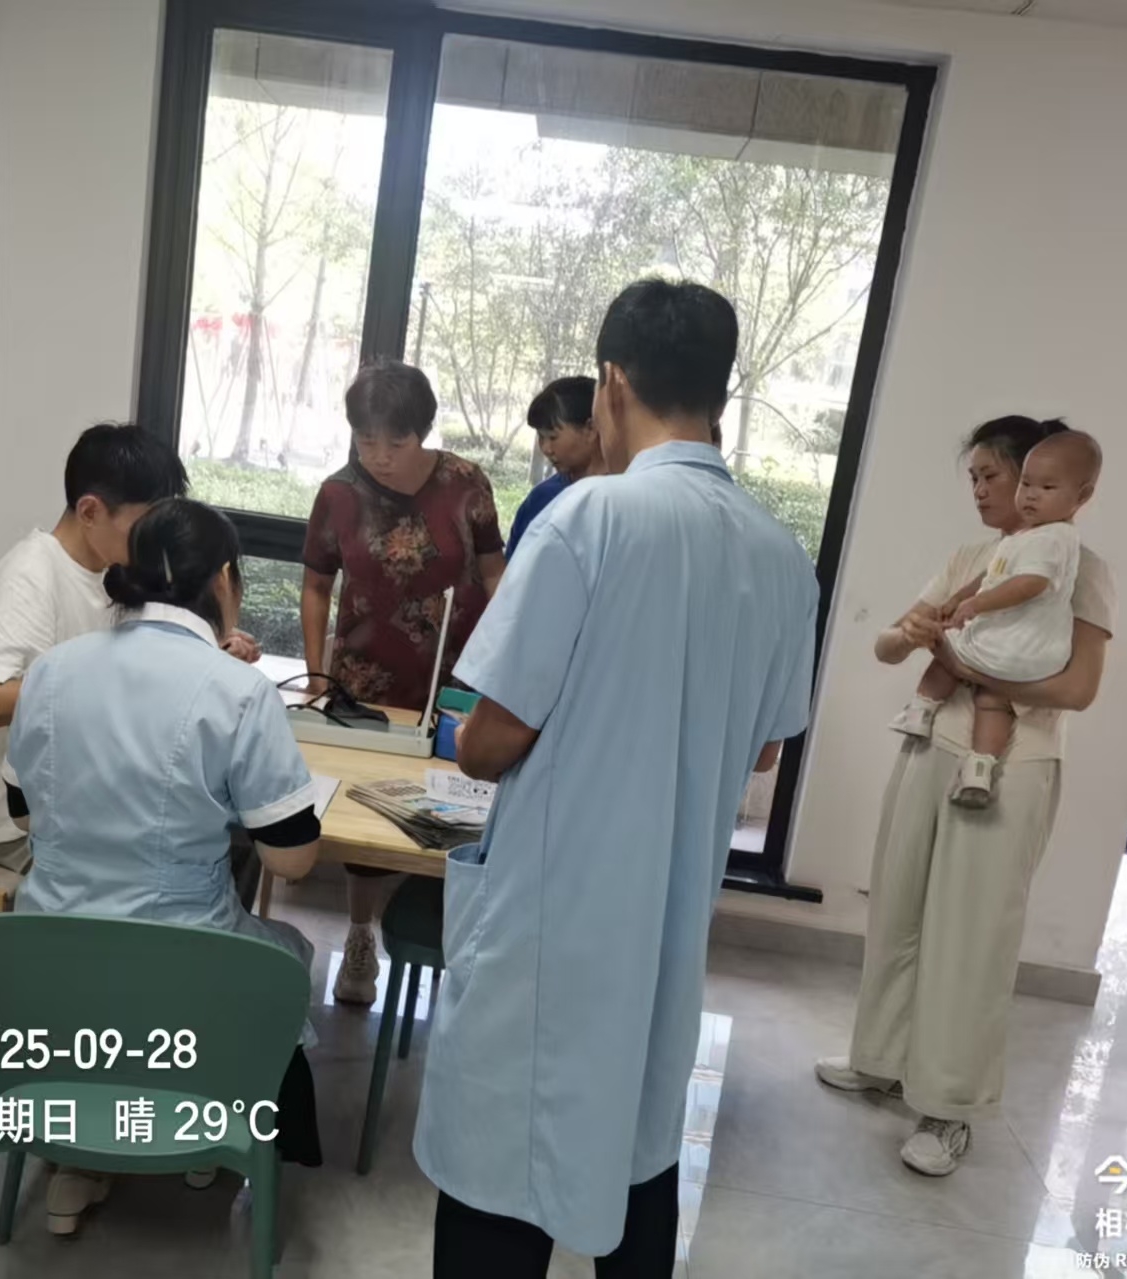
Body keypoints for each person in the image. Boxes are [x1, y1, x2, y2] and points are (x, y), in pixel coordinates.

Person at [414, 279, 819, 1277]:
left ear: (611, 382)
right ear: (718, 388)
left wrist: (481, 735)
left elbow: (489, 741)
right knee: (636, 1142)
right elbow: (764, 751)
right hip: (666, 921)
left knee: (502, 1171)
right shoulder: (778, 557)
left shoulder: (587, 518)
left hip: (551, 914)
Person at [9, 498, 324, 1234]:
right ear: (224, 581)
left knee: (112, 972)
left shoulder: (51, 672)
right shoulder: (237, 690)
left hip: (44, 974)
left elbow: (25, 815)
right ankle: (202, 1127)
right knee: (275, 954)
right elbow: (292, 858)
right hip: (182, 984)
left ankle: (76, 1162)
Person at [814, 415, 1116, 1178]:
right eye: (974, 477)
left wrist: (974, 672)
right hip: (928, 749)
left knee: (971, 938)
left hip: (1012, 766)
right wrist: (915, 632)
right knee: (899, 910)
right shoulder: (968, 559)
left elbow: (1078, 687)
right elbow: (888, 645)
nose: (981, 491)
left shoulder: (1080, 567)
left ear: (1036, 481)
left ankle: (949, 1107)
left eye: (994, 476)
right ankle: (880, 1060)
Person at [0, 423, 259, 872]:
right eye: (145, 525)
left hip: (91, 801)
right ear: (90, 511)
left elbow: (139, 662)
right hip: (27, 821)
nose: (154, 541)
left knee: (236, 839)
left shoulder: (114, 574)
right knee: (220, 851)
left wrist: (209, 653)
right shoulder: (31, 573)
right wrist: (100, 679)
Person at [300, 358, 505, 1006]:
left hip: (456, 678)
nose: (380, 457)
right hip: (366, 679)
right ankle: (361, 934)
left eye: (397, 440)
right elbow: (315, 585)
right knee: (367, 815)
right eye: (367, 440)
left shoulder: (465, 484)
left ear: (423, 431)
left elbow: (496, 575)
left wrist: (504, 665)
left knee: (452, 817)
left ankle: (450, 951)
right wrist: (316, 675)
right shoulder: (338, 494)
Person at [893, 430, 1102, 805]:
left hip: (1021, 748)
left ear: (1081, 495)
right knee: (992, 701)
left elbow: (1029, 583)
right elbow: (992, 576)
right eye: (1028, 485)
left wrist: (973, 611)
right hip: (942, 747)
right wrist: (938, 612)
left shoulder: (1056, 543)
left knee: (951, 653)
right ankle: (979, 766)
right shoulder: (1011, 544)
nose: (979, 491)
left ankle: (921, 711)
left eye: (990, 476)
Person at [505, 375, 603, 557]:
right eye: (541, 437)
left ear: (590, 429)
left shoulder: (624, 494)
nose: (546, 449)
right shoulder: (542, 499)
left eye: (552, 437)